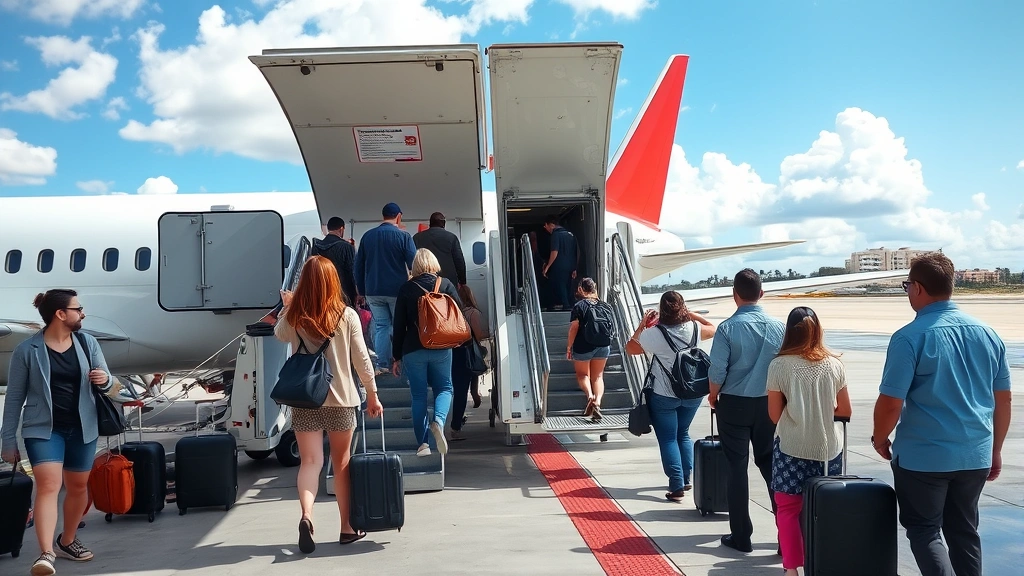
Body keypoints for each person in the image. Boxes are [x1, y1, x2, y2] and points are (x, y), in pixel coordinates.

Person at [871, 252, 1012, 576]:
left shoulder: (909, 336)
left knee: (924, 530)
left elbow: (891, 402)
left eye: (907, 285)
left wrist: (880, 439)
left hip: (924, 458)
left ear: (918, 288)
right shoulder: (988, 334)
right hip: (974, 455)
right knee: (964, 532)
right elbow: (1003, 401)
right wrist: (996, 450)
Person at [1, 289, 122, 575]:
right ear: (60, 314)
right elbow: (14, 399)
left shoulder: (88, 344)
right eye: (78, 308)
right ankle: (45, 554)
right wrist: (7, 440)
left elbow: (114, 389)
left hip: (83, 428)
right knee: (48, 486)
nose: (83, 313)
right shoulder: (26, 351)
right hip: (43, 430)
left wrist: (105, 380)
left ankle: (67, 540)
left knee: (78, 487)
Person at [275, 256, 384, 553]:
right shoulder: (346, 315)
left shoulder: (295, 316)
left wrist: (289, 304)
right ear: (333, 281)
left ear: (304, 283)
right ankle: (347, 529)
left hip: (305, 399)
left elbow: (279, 334)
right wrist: (372, 394)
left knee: (310, 462)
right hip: (341, 400)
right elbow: (362, 359)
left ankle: (307, 516)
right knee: (342, 463)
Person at [766, 307, 852, 576]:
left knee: (788, 509)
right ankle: (825, 562)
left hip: (791, 446)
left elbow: (773, 414)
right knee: (825, 507)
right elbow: (845, 411)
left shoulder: (779, 365)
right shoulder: (834, 364)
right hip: (828, 448)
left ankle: (792, 568)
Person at [707, 268, 785, 553]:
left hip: (734, 404)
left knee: (736, 468)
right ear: (761, 293)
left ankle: (741, 536)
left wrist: (714, 395)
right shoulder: (779, 327)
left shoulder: (727, 328)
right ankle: (785, 535)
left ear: (734, 295)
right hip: (768, 404)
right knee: (771, 467)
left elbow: (717, 370)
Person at [625, 291, 716, 502]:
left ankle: (676, 485)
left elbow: (630, 348)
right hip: (693, 392)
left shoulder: (653, 334)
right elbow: (712, 328)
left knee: (668, 438)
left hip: (664, 394)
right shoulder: (694, 328)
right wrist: (691, 315)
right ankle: (685, 478)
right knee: (683, 433)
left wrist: (642, 324)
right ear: (681, 307)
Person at [392, 249, 462, 457]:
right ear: (434, 263)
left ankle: (423, 444)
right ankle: (439, 421)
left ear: (416, 266)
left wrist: (396, 357)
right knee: (445, 388)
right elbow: (458, 312)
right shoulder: (446, 284)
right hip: (441, 347)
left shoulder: (406, 289)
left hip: (413, 349)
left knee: (419, 396)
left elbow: (398, 325)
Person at [354, 202, 417, 375]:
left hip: (373, 290)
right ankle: (399, 361)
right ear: (399, 216)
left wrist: (360, 291)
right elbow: (414, 263)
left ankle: (381, 364)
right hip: (397, 290)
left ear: (383, 216)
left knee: (382, 326)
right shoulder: (404, 237)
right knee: (398, 325)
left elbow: (358, 266)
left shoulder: (368, 236)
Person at [450, 284, 490, 440]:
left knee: (456, 388)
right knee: (462, 390)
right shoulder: (472, 312)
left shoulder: (455, 312)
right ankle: (455, 426)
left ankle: (474, 396)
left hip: (454, 352)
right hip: (467, 352)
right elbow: (478, 335)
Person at [566, 278, 610, 421]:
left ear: (580, 289)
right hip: (603, 345)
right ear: (594, 288)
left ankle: (590, 396)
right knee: (598, 376)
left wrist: (569, 346)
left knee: (583, 375)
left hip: (583, 345)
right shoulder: (606, 306)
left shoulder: (579, 306)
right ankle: (597, 402)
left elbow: (574, 327)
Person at [413, 212, 467, 288]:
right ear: (443, 223)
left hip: (423, 282)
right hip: (448, 282)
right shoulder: (451, 237)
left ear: (430, 223)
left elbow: (412, 259)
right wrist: (462, 281)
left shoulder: (417, 238)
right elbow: (459, 260)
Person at [311, 216, 357, 306]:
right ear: (341, 229)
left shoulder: (316, 246)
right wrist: (356, 292)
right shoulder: (346, 247)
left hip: (321, 291)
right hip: (343, 293)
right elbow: (352, 271)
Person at [541, 215, 579, 309]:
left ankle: (564, 305)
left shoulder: (555, 235)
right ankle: (570, 304)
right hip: (570, 265)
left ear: (550, 225)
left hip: (559, 265)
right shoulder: (571, 235)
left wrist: (547, 266)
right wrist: (575, 267)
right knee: (568, 285)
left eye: (546, 226)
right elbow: (577, 252)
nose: (546, 229)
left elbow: (554, 252)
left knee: (559, 285)